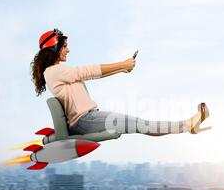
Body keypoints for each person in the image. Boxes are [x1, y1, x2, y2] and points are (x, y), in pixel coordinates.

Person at [30, 29, 210, 137]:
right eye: (64, 46)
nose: (68, 50)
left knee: (141, 124)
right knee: (142, 125)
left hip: (88, 118)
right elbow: (89, 71)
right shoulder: (53, 72)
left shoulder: (58, 72)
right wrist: (123, 64)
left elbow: (90, 75)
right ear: (54, 48)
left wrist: (121, 69)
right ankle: (188, 125)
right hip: (84, 120)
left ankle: (188, 125)